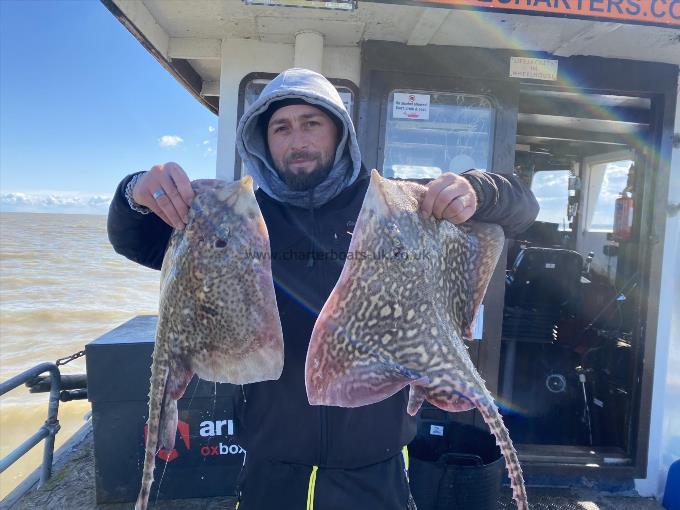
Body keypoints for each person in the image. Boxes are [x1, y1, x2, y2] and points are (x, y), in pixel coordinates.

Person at [107, 68, 539, 510]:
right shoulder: (235, 220)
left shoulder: (395, 209)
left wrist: (477, 190)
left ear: (339, 131)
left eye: (311, 123)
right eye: (281, 128)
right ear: (263, 140)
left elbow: (521, 208)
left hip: (375, 465)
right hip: (271, 467)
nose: (298, 140)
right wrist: (133, 192)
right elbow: (135, 240)